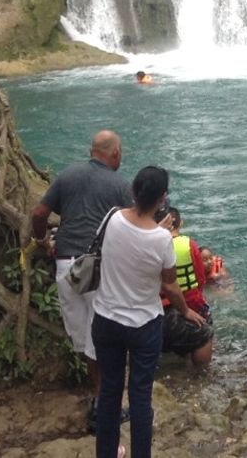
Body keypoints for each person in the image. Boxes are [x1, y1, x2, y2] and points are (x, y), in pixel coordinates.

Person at [92, 165, 204, 458]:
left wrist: (158, 232)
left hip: (105, 319)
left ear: (133, 190)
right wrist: (186, 312)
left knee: (110, 393)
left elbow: (125, 244)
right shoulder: (161, 240)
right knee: (140, 397)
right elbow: (170, 286)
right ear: (162, 198)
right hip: (143, 326)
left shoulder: (113, 218)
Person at [31, 130, 133, 432]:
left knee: (82, 335)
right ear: (114, 154)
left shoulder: (68, 175)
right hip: (97, 268)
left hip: (66, 267)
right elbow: (134, 226)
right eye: (121, 152)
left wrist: (42, 241)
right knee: (104, 336)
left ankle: (98, 397)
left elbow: (39, 212)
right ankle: (105, 404)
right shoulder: (120, 185)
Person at [159, 207, 214, 366]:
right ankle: (201, 372)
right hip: (189, 302)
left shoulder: (151, 242)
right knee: (206, 328)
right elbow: (200, 278)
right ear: (180, 223)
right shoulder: (189, 244)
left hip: (159, 305)